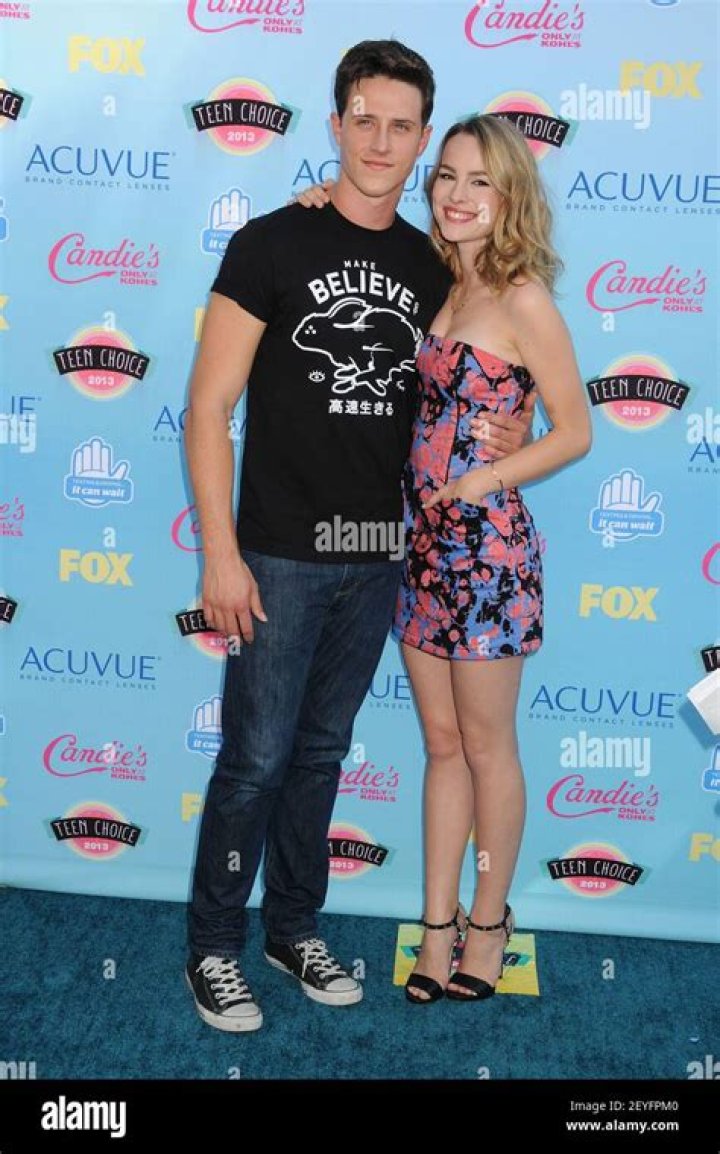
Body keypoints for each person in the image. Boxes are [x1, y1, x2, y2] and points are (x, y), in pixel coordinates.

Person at [183, 41, 529, 1033]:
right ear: (336, 124)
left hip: (382, 554)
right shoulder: (268, 244)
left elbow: (490, 362)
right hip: (277, 554)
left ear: (422, 141)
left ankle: (294, 927)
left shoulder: (434, 265)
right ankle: (214, 945)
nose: (381, 141)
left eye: (401, 125)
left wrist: (516, 430)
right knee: (255, 758)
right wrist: (219, 552)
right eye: (364, 120)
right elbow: (208, 408)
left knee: (322, 754)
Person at [395, 115, 591, 1002]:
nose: (458, 194)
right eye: (447, 175)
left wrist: (488, 476)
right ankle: (435, 927)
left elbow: (575, 431)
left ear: (510, 195)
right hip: (420, 550)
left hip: (487, 556)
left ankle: (488, 921)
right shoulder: (439, 281)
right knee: (441, 744)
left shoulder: (524, 299)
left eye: (481, 180)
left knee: (486, 747)